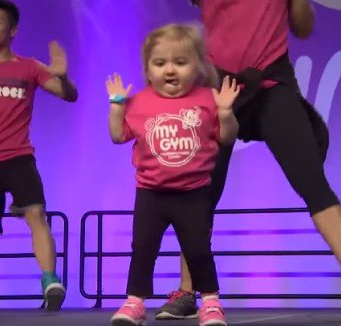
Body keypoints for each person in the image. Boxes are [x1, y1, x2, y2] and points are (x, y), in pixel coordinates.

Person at [156, 0, 341, 320]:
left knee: (311, 180)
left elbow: (303, 27)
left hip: (271, 82)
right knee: (201, 191)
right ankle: (187, 291)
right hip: (217, 84)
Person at [107, 23, 239, 326]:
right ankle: (134, 303)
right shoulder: (138, 102)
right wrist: (116, 107)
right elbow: (117, 135)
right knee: (143, 248)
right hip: (151, 193)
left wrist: (225, 113)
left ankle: (210, 302)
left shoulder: (208, 98)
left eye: (180, 63)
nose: (170, 70)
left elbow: (227, 138)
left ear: (197, 67)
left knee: (198, 250)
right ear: (148, 68)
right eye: (160, 63)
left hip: (194, 192)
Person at [0, 0, 78, 314]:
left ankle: (50, 281)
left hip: (18, 158)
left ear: (12, 30)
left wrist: (63, 76)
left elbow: (68, 94)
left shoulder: (28, 67)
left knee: (36, 215)